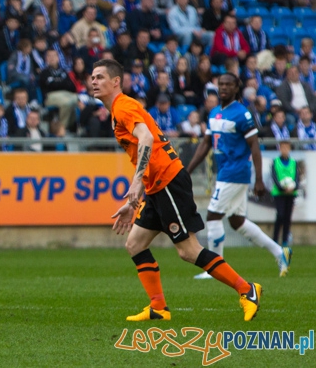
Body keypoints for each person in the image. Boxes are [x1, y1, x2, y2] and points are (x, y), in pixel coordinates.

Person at [91, 59, 261, 322]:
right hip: (156, 185)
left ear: (116, 82)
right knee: (134, 244)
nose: (93, 81)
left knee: (188, 251)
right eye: (92, 77)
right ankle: (158, 307)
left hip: (168, 180)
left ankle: (247, 290)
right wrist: (136, 197)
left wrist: (136, 182)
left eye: (100, 77)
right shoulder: (117, 110)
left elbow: (146, 138)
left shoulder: (123, 106)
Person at [187, 73, 291, 279]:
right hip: (226, 171)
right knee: (237, 221)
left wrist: (259, 179)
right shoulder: (215, 112)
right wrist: (187, 171)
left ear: (236, 88)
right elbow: (206, 144)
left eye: (228, 85)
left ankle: (214, 268)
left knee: (213, 215)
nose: (224, 88)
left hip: (235, 172)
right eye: (221, 84)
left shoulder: (242, 114)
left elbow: (254, 145)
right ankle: (280, 252)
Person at [270, 140, 302, 247]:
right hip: (279, 193)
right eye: (282, 148)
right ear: (279, 149)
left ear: (289, 149)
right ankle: (275, 239)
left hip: (291, 193)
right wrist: (282, 188)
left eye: (286, 148)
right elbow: (274, 177)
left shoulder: (294, 162)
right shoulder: (275, 162)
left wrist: (294, 187)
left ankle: (285, 240)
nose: (284, 150)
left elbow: (297, 177)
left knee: (287, 217)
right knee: (280, 215)